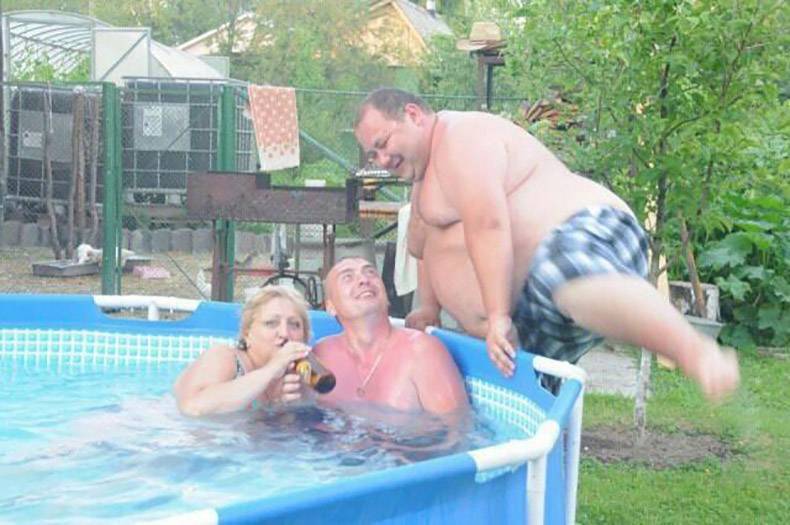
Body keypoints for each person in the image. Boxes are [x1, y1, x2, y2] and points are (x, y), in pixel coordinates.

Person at [354, 87, 739, 402]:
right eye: (373, 154)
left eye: (383, 143)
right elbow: (426, 247)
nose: (382, 158)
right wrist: (429, 306)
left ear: (413, 115)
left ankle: (692, 349)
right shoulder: (424, 180)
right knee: (521, 407)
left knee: (562, 277)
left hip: (584, 233)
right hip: (533, 317)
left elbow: (487, 224)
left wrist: (497, 315)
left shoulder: (459, 138)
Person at [309, 257, 469, 414]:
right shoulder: (320, 357)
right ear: (331, 307)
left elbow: (454, 426)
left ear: (385, 296)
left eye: (371, 272)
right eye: (348, 277)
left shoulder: (422, 351)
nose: (364, 280)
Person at [173, 285, 312, 416]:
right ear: (247, 333)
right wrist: (271, 370)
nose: (285, 333)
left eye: (294, 324)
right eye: (271, 323)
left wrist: (284, 406)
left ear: (304, 337)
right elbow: (192, 407)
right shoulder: (224, 357)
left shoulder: (303, 375)